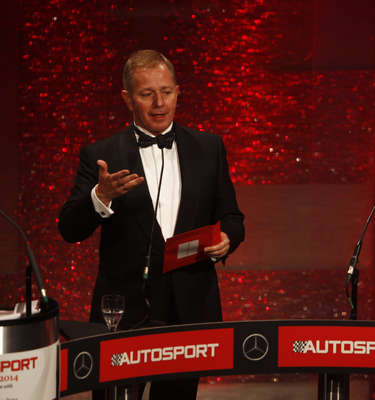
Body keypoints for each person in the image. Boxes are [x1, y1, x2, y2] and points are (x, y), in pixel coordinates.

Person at [58, 49, 245, 399]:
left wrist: (227, 238)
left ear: (178, 92)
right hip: (124, 314)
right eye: (147, 94)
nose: (160, 103)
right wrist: (101, 196)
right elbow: (69, 228)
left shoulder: (209, 148)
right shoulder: (102, 154)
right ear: (128, 98)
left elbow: (233, 217)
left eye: (167, 92)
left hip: (188, 309)